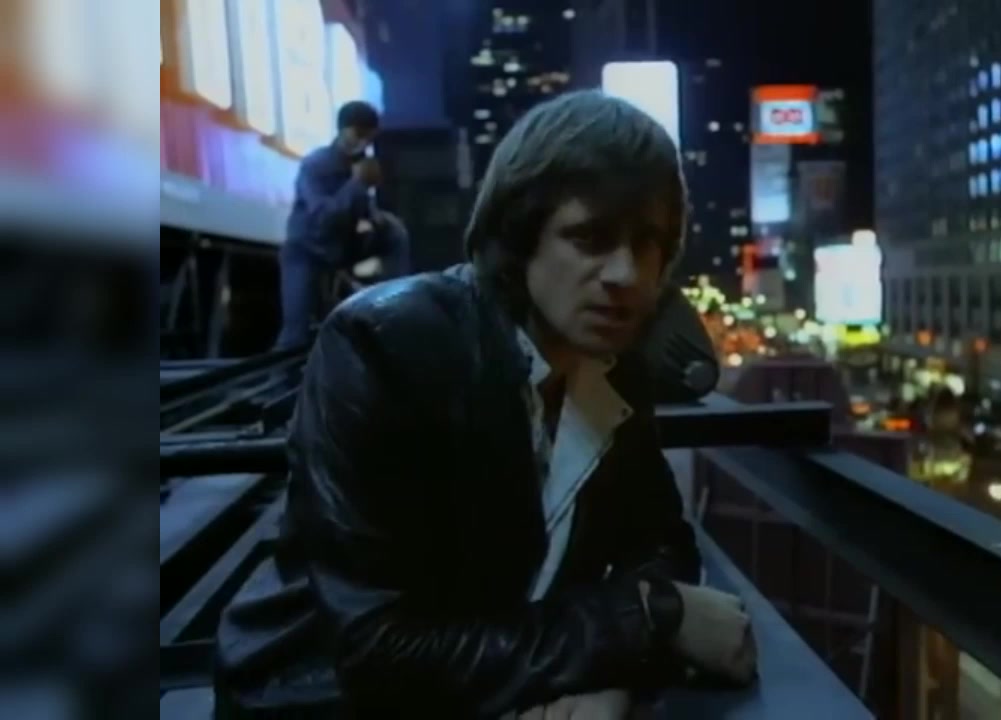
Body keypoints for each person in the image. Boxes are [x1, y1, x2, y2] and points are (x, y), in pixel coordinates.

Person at [217, 91, 758, 718]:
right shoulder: (384, 345)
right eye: (590, 238)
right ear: (520, 235)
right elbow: (379, 651)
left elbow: (660, 543)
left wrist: (609, 674)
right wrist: (645, 620)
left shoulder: (613, 361)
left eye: (649, 243)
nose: (627, 275)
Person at [275, 100, 412, 349]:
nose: (363, 143)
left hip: (340, 247)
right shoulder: (315, 164)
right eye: (358, 135)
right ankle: (284, 370)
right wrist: (357, 184)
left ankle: (396, 306)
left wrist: (379, 218)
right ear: (342, 129)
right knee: (295, 335)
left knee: (395, 233)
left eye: (369, 138)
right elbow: (323, 217)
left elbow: (363, 211)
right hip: (307, 250)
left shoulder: (362, 163)